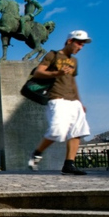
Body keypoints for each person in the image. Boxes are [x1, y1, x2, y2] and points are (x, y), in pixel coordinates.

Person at [28, 30, 92, 175]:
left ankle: (69, 164)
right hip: (57, 98)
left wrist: (79, 102)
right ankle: (37, 153)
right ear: (70, 41)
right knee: (57, 131)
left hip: (72, 101)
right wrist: (57, 73)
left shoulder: (74, 61)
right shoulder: (53, 55)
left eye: (83, 45)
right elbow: (38, 72)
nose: (81, 47)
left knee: (77, 132)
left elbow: (73, 81)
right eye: (79, 43)